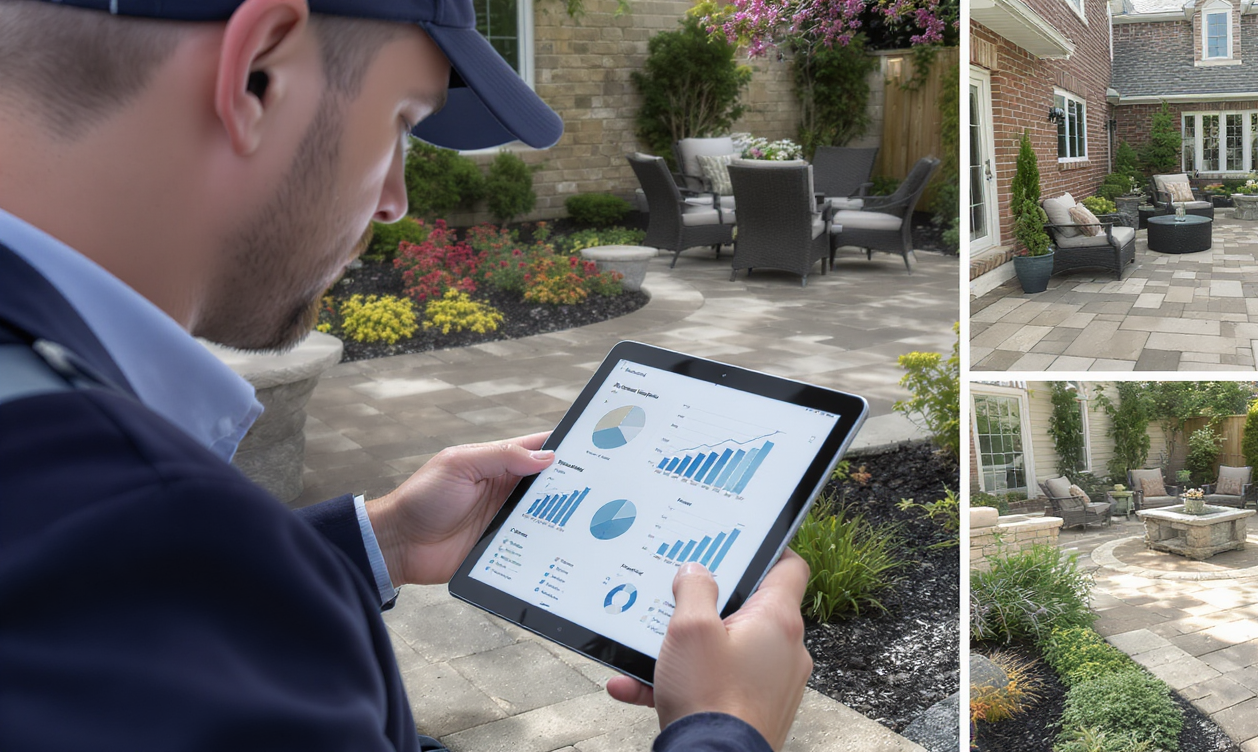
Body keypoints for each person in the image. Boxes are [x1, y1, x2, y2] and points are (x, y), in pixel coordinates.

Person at [0, 1, 813, 750]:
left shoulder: (86, 505)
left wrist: (375, 540)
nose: (394, 200)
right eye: (400, 125)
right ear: (260, 72)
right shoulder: (134, 527)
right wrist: (726, 728)